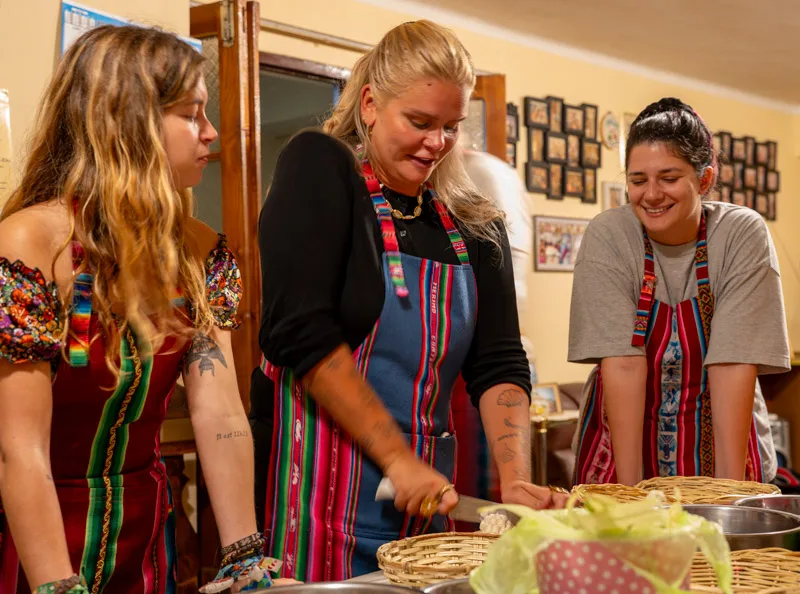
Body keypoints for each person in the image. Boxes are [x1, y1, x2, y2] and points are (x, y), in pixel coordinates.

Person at [250, 19, 567, 583]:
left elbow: (498, 362)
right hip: (317, 503)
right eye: (419, 122)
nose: (437, 143)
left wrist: (516, 477)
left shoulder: (475, 225)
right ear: (370, 103)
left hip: (423, 510)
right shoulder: (319, 173)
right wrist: (397, 458)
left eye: (450, 126)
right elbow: (300, 331)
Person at [0, 25, 286, 594]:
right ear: (125, 121)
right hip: (34, 533)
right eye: (191, 114)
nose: (212, 135)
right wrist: (59, 586)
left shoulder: (203, 251)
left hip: (145, 526)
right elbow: (19, 449)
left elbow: (222, 415)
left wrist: (244, 560)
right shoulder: (28, 244)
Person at [569, 97, 790, 487]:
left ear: (703, 180)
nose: (651, 195)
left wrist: (728, 495)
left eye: (668, 178)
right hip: (624, 449)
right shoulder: (610, 236)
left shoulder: (740, 234)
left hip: (725, 448)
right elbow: (622, 363)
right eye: (638, 180)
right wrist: (630, 495)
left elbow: (733, 365)